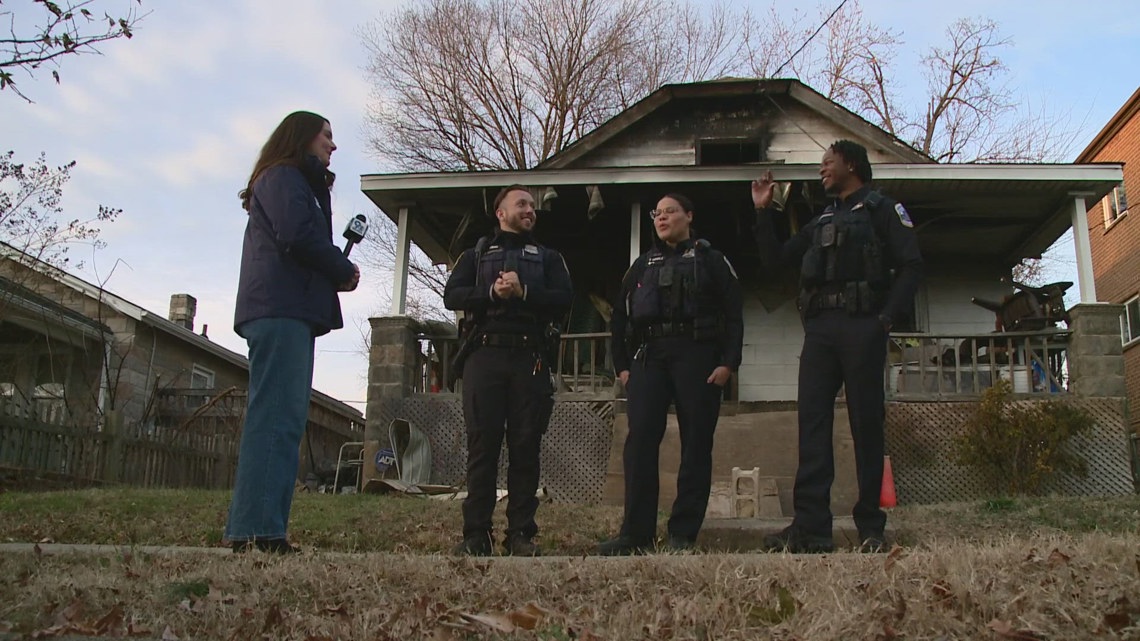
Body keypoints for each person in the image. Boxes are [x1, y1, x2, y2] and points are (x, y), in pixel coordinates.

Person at [751, 139, 922, 553]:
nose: (822, 168)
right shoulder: (821, 219)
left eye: (828, 161)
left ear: (851, 163)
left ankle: (870, 528)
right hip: (821, 331)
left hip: (863, 325)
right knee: (811, 423)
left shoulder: (883, 209)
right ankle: (811, 528)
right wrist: (762, 212)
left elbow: (911, 265)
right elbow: (774, 260)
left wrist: (884, 321)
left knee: (866, 424)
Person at [225, 111, 360, 554]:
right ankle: (256, 534)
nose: (332, 146)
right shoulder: (284, 176)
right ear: (300, 137)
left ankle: (262, 530)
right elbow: (297, 234)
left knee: (283, 419)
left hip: (288, 309)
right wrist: (341, 268)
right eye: (326, 135)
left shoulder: (296, 181)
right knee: (276, 418)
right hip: (279, 309)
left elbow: (299, 237)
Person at [598, 193, 743, 555]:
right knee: (640, 442)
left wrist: (728, 363)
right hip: (650, 358)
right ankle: (635, 534)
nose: (661, 218)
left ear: (689, 216)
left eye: (670, 212)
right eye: (657, 213)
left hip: (698, 355)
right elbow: (618, 318)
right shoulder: (642, 264)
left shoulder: (712, 260)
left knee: (696, 444)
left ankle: (683, 532)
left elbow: (734, 314)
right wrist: (623, 366)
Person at [443, 184, 573, 557]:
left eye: (532, 205)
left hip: (529, 360)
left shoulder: (549, 259)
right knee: (482, 447)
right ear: (501, 213)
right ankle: (475, 536)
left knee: (525, 447)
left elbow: (564, 299)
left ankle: (520, 535)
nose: (530, 209)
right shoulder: (476, 254)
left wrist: (525, 293)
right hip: (484, 358)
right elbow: (452, 295)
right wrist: (491, 294)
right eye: (522, 204)